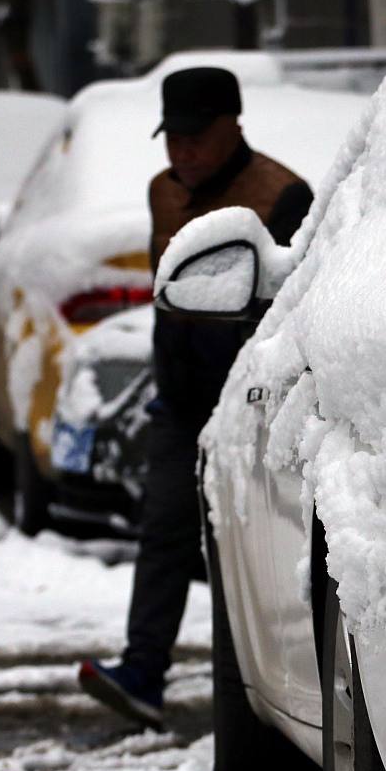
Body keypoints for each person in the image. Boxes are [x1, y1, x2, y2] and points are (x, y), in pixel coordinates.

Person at [78, 66, 311, 727]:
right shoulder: (164, 191)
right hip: (180, 402)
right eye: (171, 137)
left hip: (247, 404)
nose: (181, 152)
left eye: (195, 136)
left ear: (232, 125)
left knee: (244, 544)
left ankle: (254, 689)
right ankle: (143, 673)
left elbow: (292, 308)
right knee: (164, 533)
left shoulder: (281, 195)